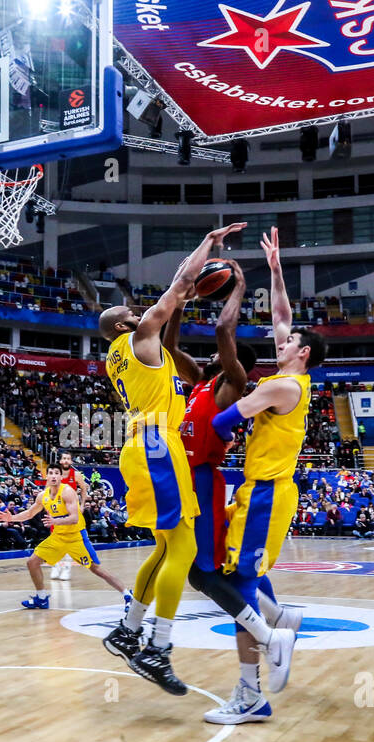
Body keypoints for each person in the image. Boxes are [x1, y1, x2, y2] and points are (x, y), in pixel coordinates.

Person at [98, 222, 245, 695]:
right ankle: (157, 648)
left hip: (139, 445)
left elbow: (176, 309)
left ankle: (128, 631)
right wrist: (208, 242)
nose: (139, 311)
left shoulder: (119, 355)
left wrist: (179, 303)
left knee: (165, 548)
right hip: (158, 445)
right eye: (131, 311)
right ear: (125, 325)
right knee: (183, 550)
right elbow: (181, 283)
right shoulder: (140, 337)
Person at [164, 254, 299, 724]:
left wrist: (238, 286)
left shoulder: (234, 383)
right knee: (200, 571)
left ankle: (270, 631)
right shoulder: (200, 382)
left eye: (219, 353)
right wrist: (181, 297)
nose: (208, 354)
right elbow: (168, 342)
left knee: (202, 573)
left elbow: (224, 331)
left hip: (206, 481)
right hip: (187, 480)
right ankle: (273, 624)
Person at [209, 228, 324, 703]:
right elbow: (282, 314)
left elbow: (221, 420)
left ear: (304, 354)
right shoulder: (289, 374)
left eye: (288, 341)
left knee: (238, 584)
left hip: (266, 494)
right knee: (244, 574)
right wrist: (276, 269)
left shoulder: (283, 388)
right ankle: (279, 621)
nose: (279, 339)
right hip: (260, 491)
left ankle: (250, 687)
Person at [0, 463, 131, 610]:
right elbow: (29, 513)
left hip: (76, 537)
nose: (54, 476)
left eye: (57, 473)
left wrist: (55, 521)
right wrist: (12, 518)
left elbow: (74, 518)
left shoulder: (67, 492)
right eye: (51, 473)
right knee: (32, 562)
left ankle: (127, 595)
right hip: (58, 537)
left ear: (61, 477)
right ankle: (41, 598)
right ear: (46, 477)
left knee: (96, 569)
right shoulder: (43, 496)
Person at [49, 451, 90, 582]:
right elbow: (48, 492)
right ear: (60, 461)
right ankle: (55, 565)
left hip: (71, 513)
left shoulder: (76, 475)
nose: (66, 461)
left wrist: (82, 504)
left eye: (68, 459)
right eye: (64, 459)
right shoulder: (54, 475)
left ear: (71, 461)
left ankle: (66, 567)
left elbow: (84, 489)